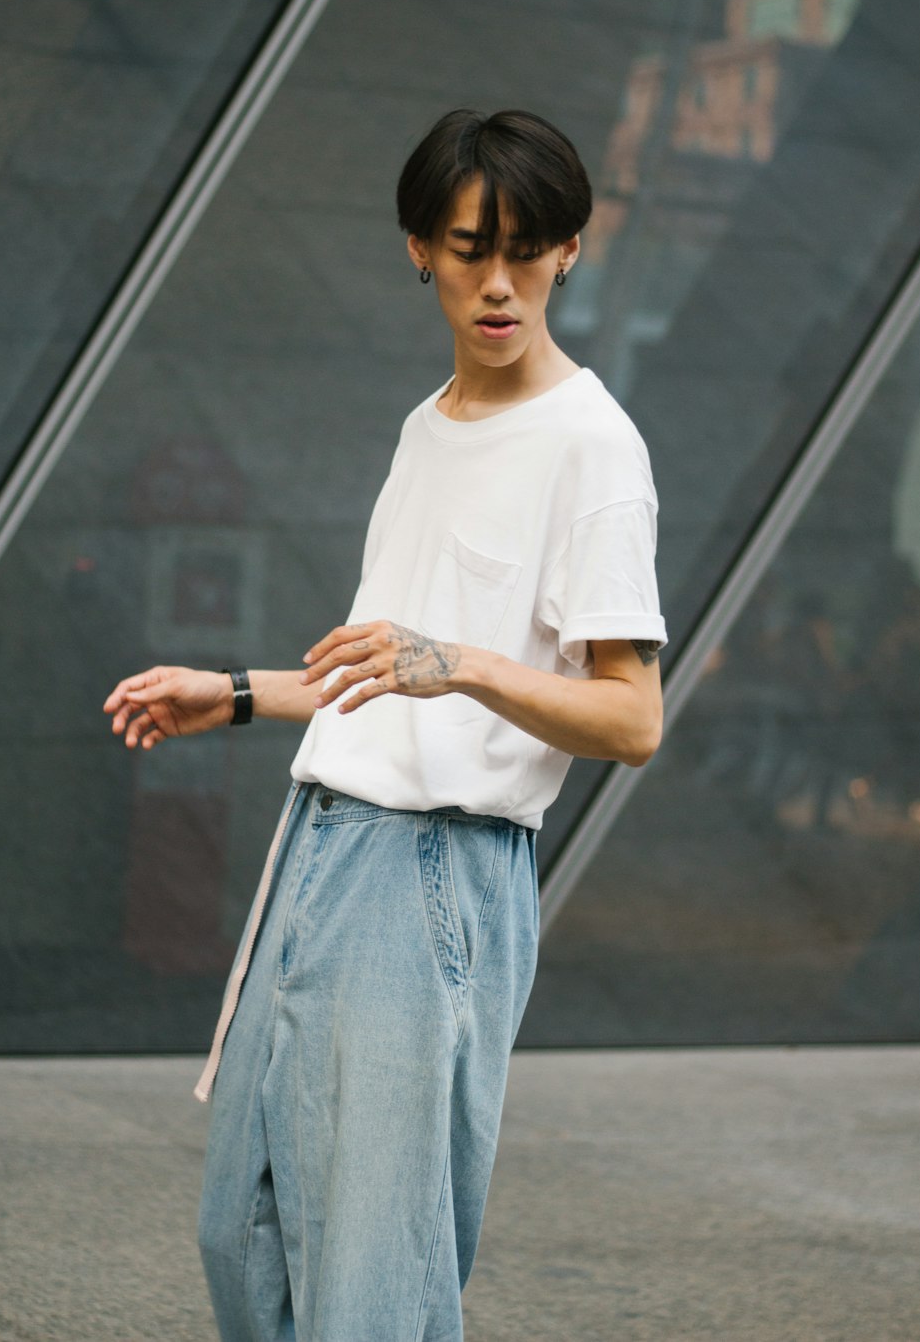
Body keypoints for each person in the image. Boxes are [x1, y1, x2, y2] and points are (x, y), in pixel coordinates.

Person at [103, 108, 668, 1342]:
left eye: (530, 248)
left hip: (432, 874)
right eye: (471, 248)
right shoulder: (430, 427)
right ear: (420, 248)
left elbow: (632, 718)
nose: (501, 281)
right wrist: (239, 691)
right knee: (245, 1233)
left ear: (572, 250)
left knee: (368, 1284)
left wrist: (459, 665)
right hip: (322, 845)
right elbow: (383, 667)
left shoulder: (590, 450)